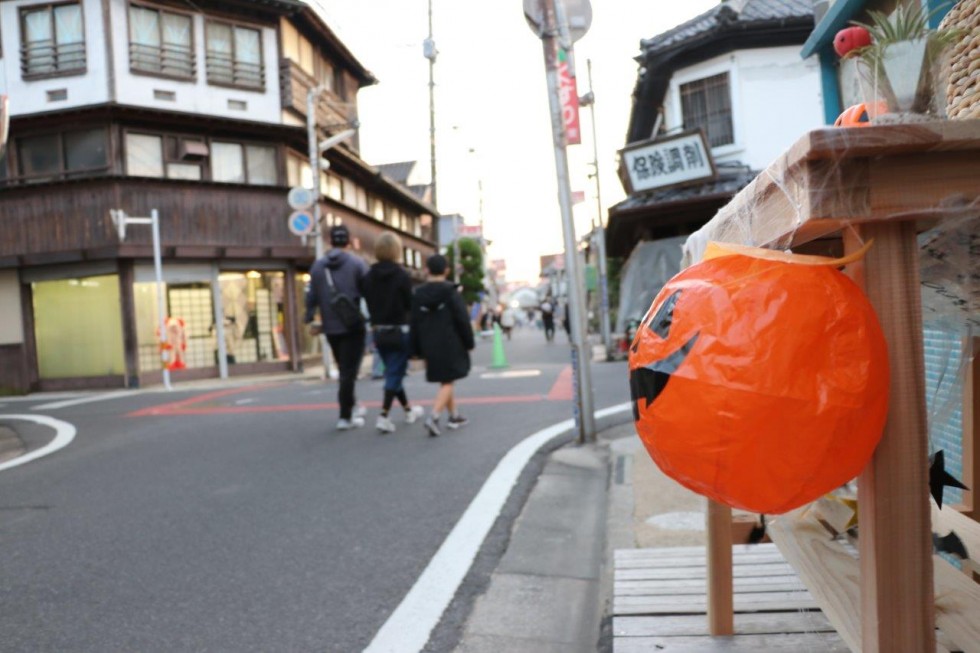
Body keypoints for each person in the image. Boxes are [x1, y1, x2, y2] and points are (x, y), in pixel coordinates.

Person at [305, 224, 369, 431]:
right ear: (348, 241)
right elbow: (369, 292)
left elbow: (311, 296)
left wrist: (309, 318)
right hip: (353, 325)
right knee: (348, 372)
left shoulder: (318, 266)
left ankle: (353, 405)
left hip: (331, 327)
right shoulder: (357, 264)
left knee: (344, 368)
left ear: (330, 241)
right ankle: (345, 416)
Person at [363, 231, 425, 434]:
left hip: (378, 331)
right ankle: (384, 415)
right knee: (394, 373)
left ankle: (408, 411)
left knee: (393, 371)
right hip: (400, 330)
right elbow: (410, 305)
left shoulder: (368, 276)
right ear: (397, 250)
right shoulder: (401, 275)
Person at [410, 254, 475, 436]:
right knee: (448, 380)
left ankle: (454, 415)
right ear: (446, 270)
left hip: (428, 343)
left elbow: (414, 322)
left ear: (427, 270)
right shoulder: (451, 292)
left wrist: (414, 349)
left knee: (446, 380)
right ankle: (434, 417)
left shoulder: (418, 294)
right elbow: (462, 319)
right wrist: (469, 341)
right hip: (450, 342)